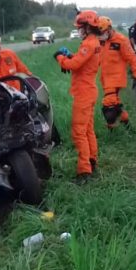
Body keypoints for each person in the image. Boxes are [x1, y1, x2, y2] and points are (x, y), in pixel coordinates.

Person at [55, 10, 101, 184]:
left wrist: (61, 57)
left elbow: (74, 65)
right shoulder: (93, 43)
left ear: (88, 27)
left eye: (80, 27)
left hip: (84, 93)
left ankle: (84, 171)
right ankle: (92, 159)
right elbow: (80, 62)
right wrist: (70, 56)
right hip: (89, 90)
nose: (79, 30)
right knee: (88, 129)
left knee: (79, 132)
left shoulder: (89, 44)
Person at [98, 16, 136, 129]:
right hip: (105, 80)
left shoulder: (121, 40)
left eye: (102, 32)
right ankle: (128, 127)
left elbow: (132, 58)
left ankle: (112, 132)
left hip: (116, 80)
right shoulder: (101, 42)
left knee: (109, 108)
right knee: (116, 107)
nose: (100, 35)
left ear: (109, 29)